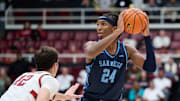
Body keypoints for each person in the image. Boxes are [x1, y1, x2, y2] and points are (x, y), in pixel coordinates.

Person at [80, 10, 156, 101]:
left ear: (114, 28)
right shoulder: (91, 45)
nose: (99, 28)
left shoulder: (127, 50)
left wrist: (147, 36)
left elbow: (150, 67)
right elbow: (90, 52)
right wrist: (118, 31)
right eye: (98, 24)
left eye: (103, 24)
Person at [0, 46, 82, 101]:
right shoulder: (50, 79)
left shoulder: (25, 75)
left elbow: (43, 94)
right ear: (55, 65)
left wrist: (64, 97)